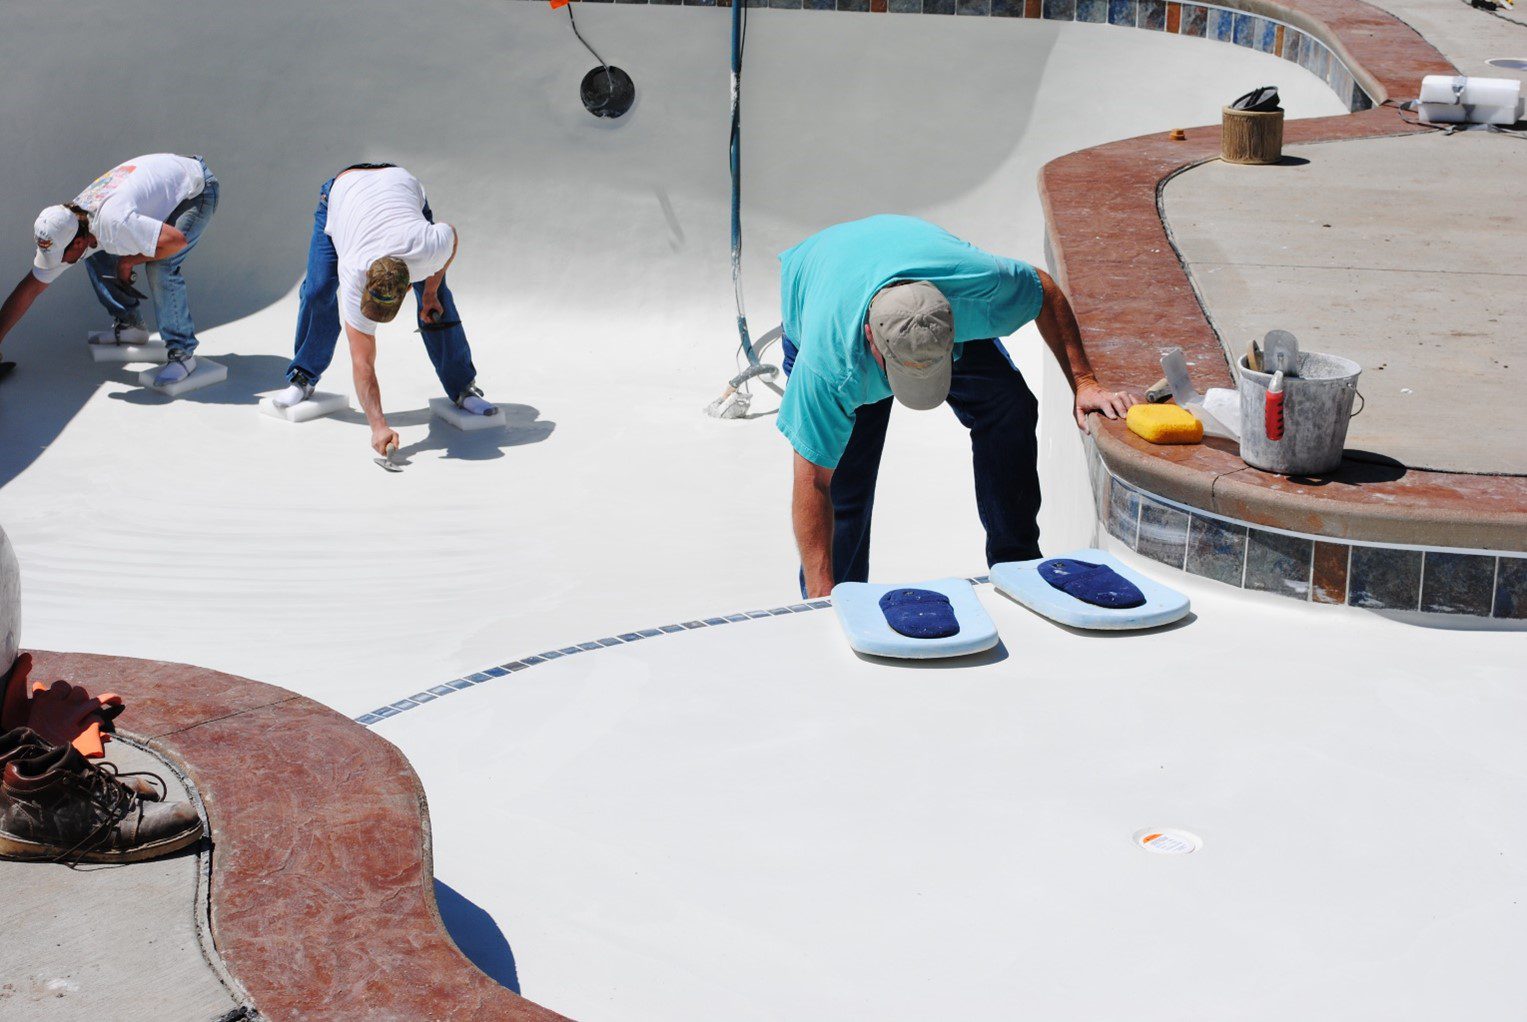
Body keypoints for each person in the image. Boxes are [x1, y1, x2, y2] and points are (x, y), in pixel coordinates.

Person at [777, 215, 1139, 598]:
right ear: (871, 341)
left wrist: (1083, 383)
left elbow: (1043, 291)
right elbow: (813, 481)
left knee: (1009, 406)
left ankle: (1017, 560)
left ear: (953, 326)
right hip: (821, 278)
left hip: (920, 282)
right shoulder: (830, 366)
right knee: (844, 484)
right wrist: (822, 596)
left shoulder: (976, 289)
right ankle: (838, 597)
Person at [272, 163, 498, 454]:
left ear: (407, 286)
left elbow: (450, 235)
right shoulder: (354, 270)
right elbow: (362, 362)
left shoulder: (428, 248)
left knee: (438, 298)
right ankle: (303, 378)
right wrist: (378, 425)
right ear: (365, 285)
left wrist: (429, 292)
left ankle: (463, 388)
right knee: (317, 291)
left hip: (399, 187)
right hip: (339, 195)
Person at [0, 153, 219, 386]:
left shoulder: (114, 223)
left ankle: (182, 354)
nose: (55, 263)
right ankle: (132, 327)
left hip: (196, 189)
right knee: (95, 253)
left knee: (161, 265)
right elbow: (30, 288)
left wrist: (129, 261)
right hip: (161, 184)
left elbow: (176, 242)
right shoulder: (75, 222)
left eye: (57, 256)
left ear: (77, 242)